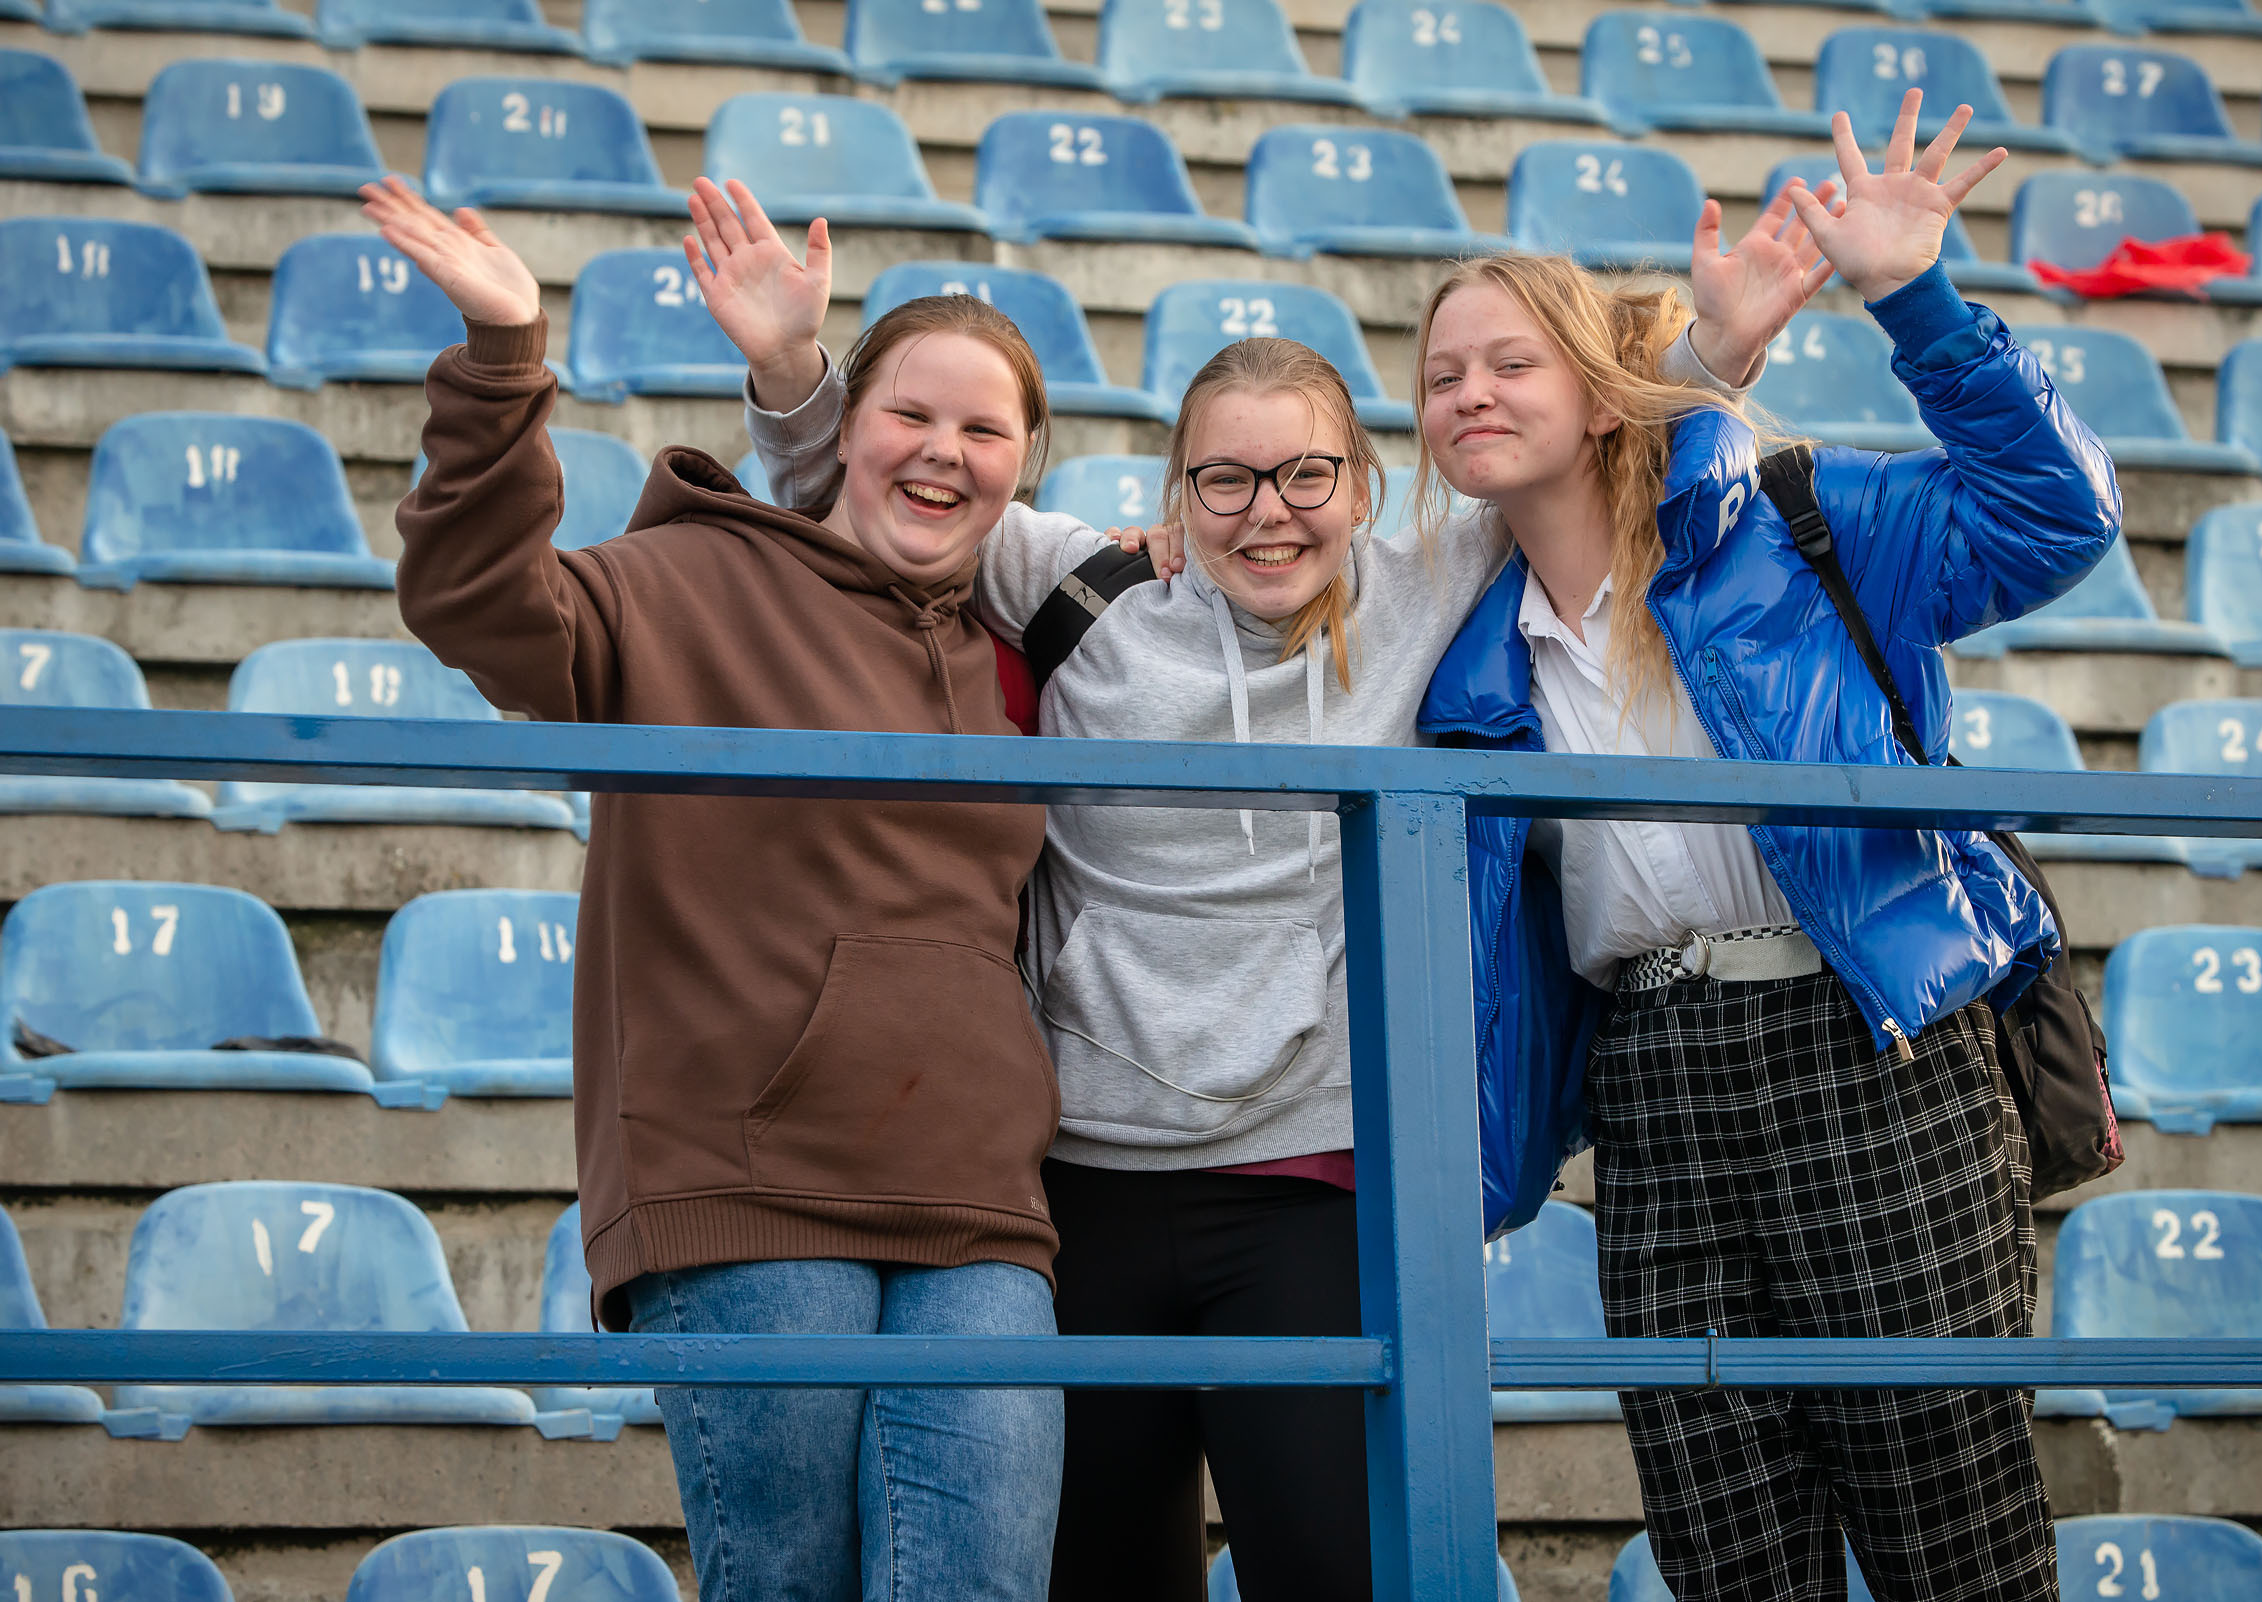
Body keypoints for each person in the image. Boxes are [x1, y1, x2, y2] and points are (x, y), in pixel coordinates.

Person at [702, 176, 1831, 1598]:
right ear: (1176, 497)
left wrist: (1714, 354)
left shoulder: (1426, 585)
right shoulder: (1081, 584)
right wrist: (794, 371)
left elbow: (1582, 469)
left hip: (1311, 1179)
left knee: (1339, 1568)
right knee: (1106, 1577)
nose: (1267, 512)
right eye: (1224, 479)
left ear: (1362, 485)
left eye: (1306, 474)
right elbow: (878, 499)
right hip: (1088, 1183)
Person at [1414, 93, 2119, 1602]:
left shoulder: (1798, 520)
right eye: (1438, 376)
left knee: (1957, 1533)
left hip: (1867, 1034)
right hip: (1655, 1075)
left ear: (1605, 394)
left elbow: (2057, 518)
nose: (1467, 393)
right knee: (1727, 1546)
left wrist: (1912, 299)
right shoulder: (1468, 653)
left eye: (1509, 362)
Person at [360, 175, 1078, 1602]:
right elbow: (475, 602)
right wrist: (505, 356)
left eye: (983, 429)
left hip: (980, 1204)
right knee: (788, 1586)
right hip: (751, 1195)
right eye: (910, 416)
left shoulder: (1018, 651)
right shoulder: (689, 581)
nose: (943, 453)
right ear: (844, 435)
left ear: (1023, 467)